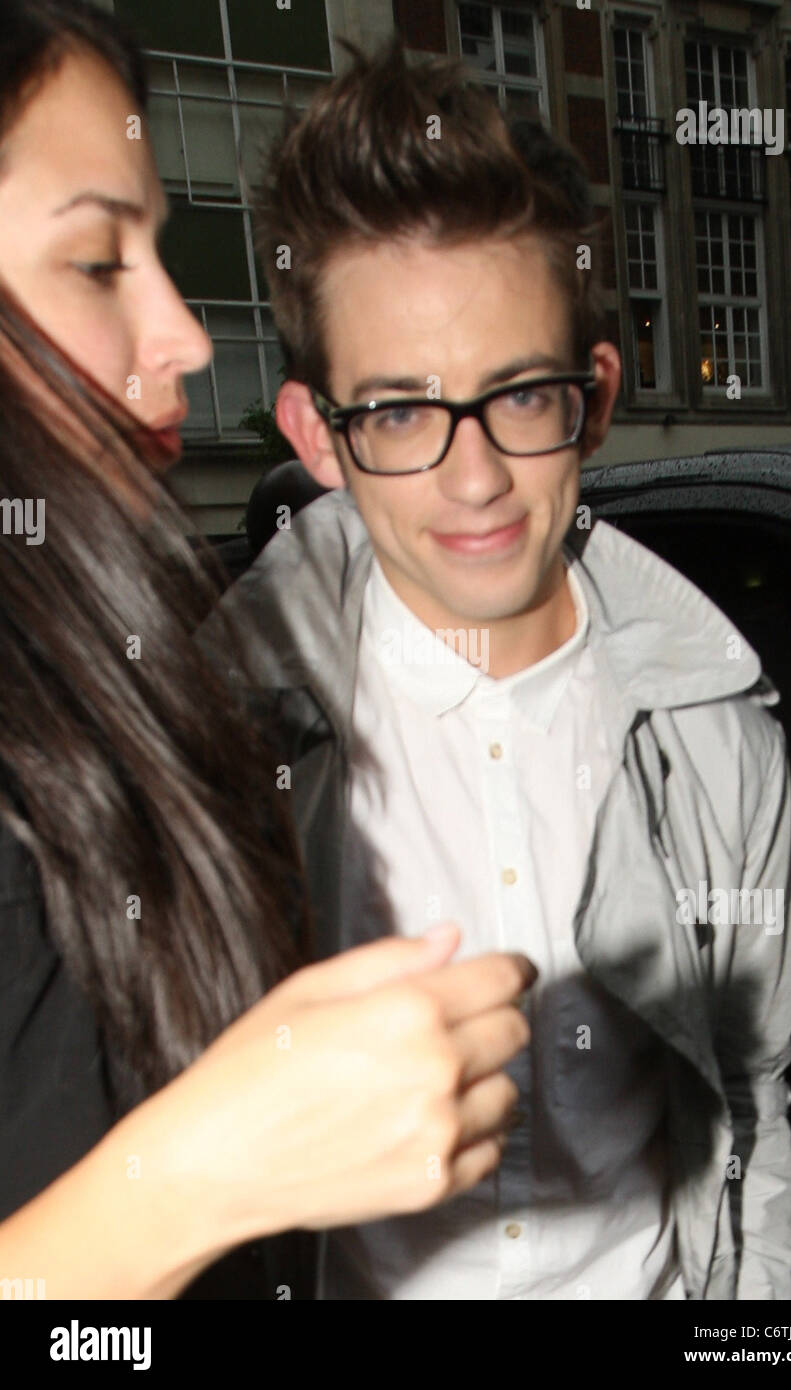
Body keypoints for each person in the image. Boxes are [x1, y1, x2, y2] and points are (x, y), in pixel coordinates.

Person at [205, 41, 791, 1300]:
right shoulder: (218, 742)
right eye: (400, 413)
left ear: (590, 394)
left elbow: (750, 1108)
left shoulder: (709, 726)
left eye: (516, 397)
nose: (472, 479)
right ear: (318, 435)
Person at [0, 0, 535, 1300]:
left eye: (522, 395)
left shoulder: (126, 705)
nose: (185, 335)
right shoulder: (266, 684)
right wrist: (211, 1165)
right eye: (94, 263)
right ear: (316, 434)